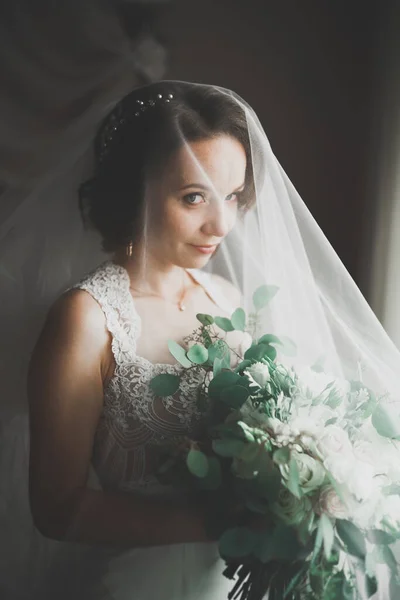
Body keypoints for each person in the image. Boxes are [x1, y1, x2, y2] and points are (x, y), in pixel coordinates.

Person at [3, 80, 400, 599]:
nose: (222, 222)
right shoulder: (87, 319)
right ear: (133, 192)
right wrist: (225, 522)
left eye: (233, 196)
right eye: (194, 197)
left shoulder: (227, 298)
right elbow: (57, 509)